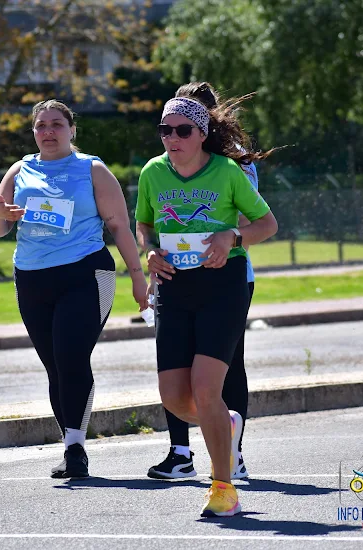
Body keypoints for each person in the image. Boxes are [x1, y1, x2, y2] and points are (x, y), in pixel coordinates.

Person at [0, 99, 148, 479]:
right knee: (54, 365)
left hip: (85, 273)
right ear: (33, 132)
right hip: (32, 278)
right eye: (41, 125)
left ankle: (76, 448)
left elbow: (119, 227)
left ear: (72, 130)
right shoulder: (19, 170)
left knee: (71, 356)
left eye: (56, 124)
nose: (48, 132)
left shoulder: (91, 169)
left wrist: (137, 277)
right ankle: (70, 444)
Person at [135, 95, 278, 517]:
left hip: (222, 286)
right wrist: (150, 251)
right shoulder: (152, 172)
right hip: (173, 286)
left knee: (205, 388)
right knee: (173, 397)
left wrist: (232, 237)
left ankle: (223, 487)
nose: (172, 138)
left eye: (182, 130)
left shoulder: (227, 172)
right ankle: (224, 423)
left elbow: (267, 224)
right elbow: (144, 223)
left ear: (201, 134)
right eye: (165, 130)